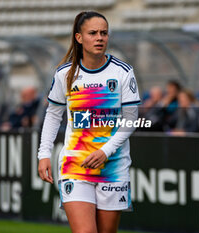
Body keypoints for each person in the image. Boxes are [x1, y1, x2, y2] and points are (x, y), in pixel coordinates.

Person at [37, 11, 140, 233]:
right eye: (93, 33)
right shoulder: (65, 74)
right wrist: (44, 153)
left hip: (112, 167)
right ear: (79, 37)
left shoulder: (123, 72)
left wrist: (106, 151)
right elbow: (53, 114)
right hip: (75, 166)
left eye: (104, 33)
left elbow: (131, 119)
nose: (100, 38)